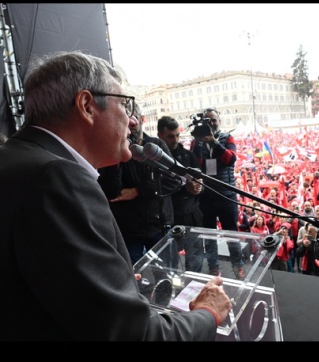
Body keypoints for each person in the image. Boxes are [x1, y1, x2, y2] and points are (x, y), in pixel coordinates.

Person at [0, 51, 231, 341]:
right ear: (86, 105)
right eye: (125, 105)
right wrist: (208, 313)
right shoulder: (57, 177)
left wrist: (105, 286)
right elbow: (134, 334)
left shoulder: (18, 159)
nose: (132, 120)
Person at [98, 104, 181, 265]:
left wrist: (138, 190)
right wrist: (117, 157)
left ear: (142, 119)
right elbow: (112, 192)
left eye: (134, 116)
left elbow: (174, 180)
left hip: (159, 226)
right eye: (125, 118)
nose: (131, 123)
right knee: (132, 277)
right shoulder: (113, 150)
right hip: (129, 231)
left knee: (170, 275)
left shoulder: (156, 146)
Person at [190, 107, 245, 279]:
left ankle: (238, 264)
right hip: (206, 195)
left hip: (226, 194)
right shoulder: (196, 142)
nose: (211, 123)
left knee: (231, 232)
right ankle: (213, 266)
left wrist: (214, 141)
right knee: (209, 234)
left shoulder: (227, 138)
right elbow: (196, 166)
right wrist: (199, 144)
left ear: (219, 121)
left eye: (213, 120)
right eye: (207, 120)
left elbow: (230, 159)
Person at [157, 115, 205, 272]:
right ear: (160, 136)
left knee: (196, 258)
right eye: (170, 136)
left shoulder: (188, 156)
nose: (175, 140)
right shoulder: (155, 160)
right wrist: (185, 188)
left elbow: (201, 182)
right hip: (169, 216)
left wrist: (199, 187)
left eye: (177, 135)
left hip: (192, 213)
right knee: (170, 263)